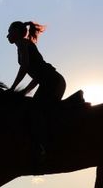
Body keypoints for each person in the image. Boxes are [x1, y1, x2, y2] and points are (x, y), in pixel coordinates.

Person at [6, 21, 66, 163]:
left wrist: (13, 88)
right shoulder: (23, 45)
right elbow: (36, 78)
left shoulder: (22, 44)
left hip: (52, 82)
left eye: (10, 31)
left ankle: (41, 147)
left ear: (17, 32)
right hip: (52, 82)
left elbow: (25, 67)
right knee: (37, 110)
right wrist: (24, 91)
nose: (7, 35)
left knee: (35, 110)